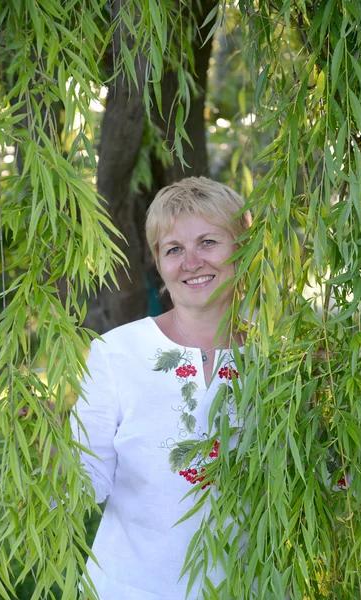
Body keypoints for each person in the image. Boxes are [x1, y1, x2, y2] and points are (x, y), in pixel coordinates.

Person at [71, 176, 252, 599]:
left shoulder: (277, 361)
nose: (191, 262)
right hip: (132, 587)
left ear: (242, 248)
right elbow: (88, 479)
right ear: (159, 262)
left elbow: (327, 481)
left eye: (208, 242)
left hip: (247, 585)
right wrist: (45, 454)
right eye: (174, 249)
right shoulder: (117, 353)